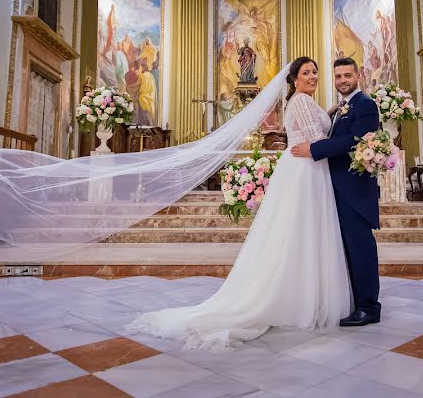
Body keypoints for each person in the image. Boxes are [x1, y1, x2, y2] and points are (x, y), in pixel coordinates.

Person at [127, 57, 352, 349]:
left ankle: (298, 292)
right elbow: (316, 139)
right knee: (303, 233)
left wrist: (333, 112)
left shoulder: (300, 101)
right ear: (294, 79)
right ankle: (304, 296)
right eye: (306, 72)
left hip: (301, 170)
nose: (312, 77)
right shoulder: (303, 102)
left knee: (294, 235)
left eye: (315, 73)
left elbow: (315, 130)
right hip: (307, 170)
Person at [291, 57, 382, 327]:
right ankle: (356, 302)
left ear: (358, 76)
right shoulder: (344, 106)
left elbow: (353, 140)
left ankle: (368, 307)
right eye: (338, 76)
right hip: (337, 186)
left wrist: (314, 149)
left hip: (354, 189)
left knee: (361, 247)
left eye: (347, 76)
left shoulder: (364, 105)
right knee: (348, 248)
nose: (342, 80)